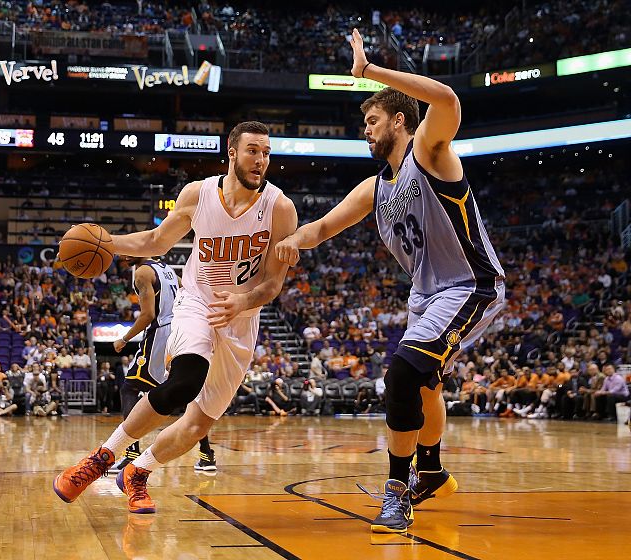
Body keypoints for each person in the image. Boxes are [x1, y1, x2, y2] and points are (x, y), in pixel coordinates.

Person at [275, 30, 505, 533]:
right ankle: (435, 473)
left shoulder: (431, 152)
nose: (365, 130)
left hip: (469, 284)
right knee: (425, 387)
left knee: (401, 375)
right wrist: (289, 242)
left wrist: (371, 71)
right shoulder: (375, 187)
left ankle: (398, 489)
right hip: (425, 294)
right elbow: (323, 227)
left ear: (399, 121)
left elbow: (445, 99)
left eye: (371, 119)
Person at [54, 121, 297, 514]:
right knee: (186, 381)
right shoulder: (198, 194)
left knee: (199, 425)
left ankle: (138, 472)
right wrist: (108, 244)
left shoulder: (280, 208)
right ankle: (101, 459)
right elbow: (156, 241)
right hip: (197, 302)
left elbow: (273, 284)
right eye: (253, 150)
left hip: (241, 318)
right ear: (232, 152)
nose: (261, 160)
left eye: (267, 152)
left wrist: (243, 301)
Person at [108, 256, 218, 475]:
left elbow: (148, 315)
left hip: (160, 332)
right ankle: (207, 456)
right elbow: (189, 288)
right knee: (183, 392)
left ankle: (130, 455)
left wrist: (124, 338)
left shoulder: (142, 273)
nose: (124, 255)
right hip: (181, 329)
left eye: (130, 249)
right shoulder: (166, 268)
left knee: (130, 388)